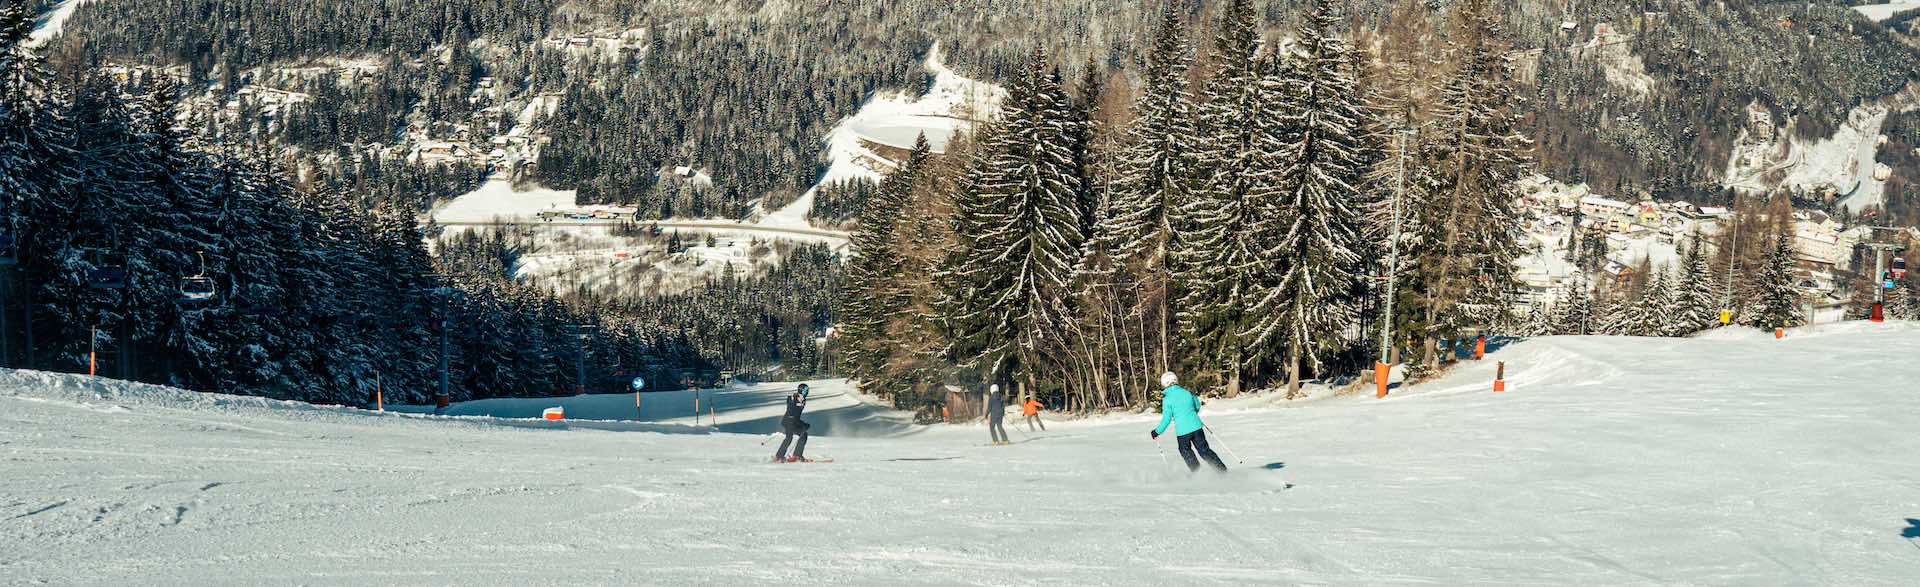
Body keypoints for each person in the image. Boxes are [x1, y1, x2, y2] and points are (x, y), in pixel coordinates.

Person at [1150, 372, 1226, 473]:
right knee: (1204, 451)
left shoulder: (1167, 399)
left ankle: (1197, 473)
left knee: (1185, 451)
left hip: (1183, 432)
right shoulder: (1187, 392)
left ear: (1164, 384)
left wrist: (1157, 431)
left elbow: (1166, 419)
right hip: (1197, 428)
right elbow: (1197, 407)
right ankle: (1222, 471)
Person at [774, 383, 812, 463]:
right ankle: (778, 456)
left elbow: (797, 415)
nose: (807, 392)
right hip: (788, 421)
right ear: (801, 390)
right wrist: (791, 400)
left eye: (807, 390)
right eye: (805, 390)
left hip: (794, 422)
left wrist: (803, 424)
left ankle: (797, 455)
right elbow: (790, 408)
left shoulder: (803, 400)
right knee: (789, 438)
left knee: (803, 435)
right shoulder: (794, 398)